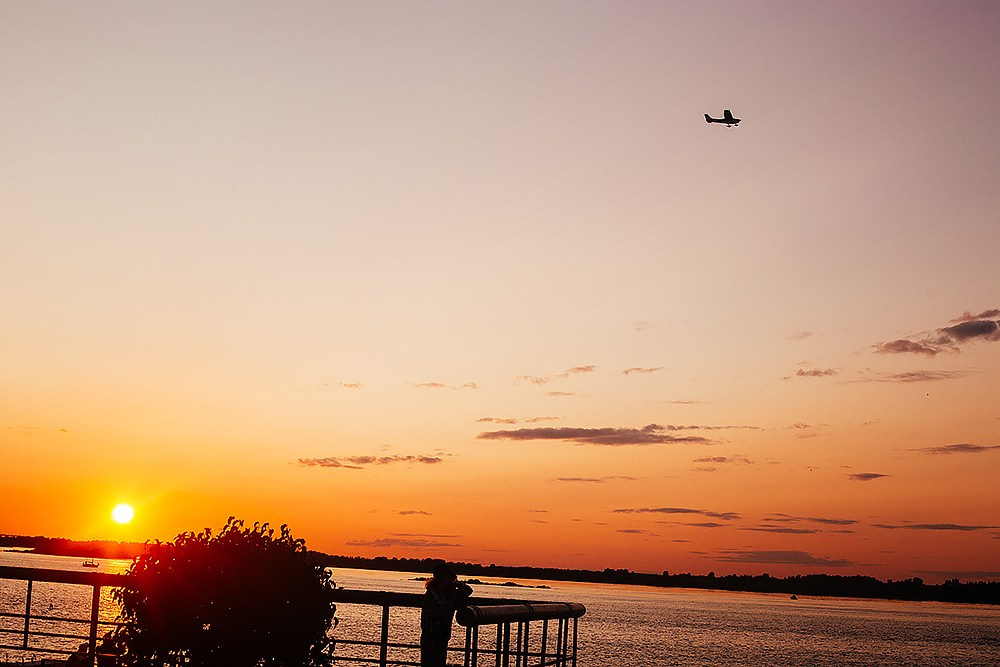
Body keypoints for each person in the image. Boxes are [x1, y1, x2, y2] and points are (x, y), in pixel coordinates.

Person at [420, 562, 473, 667]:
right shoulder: (434, 595)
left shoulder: (447, 593)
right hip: (431, 636)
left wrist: (458, 585)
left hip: (441, 636)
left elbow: (468, 590)